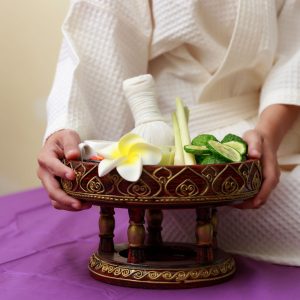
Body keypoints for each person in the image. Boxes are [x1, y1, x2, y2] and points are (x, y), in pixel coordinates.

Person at [38, 0, 300, 265]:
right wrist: (65, 129)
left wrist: (267, 135)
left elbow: (293, 56)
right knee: (171, 204)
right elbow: (94, 47)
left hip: (263, 142)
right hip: (167, 161)